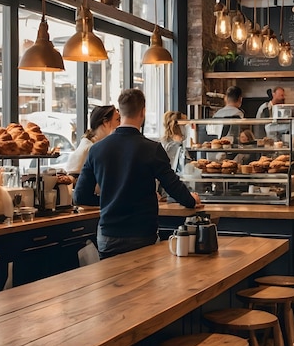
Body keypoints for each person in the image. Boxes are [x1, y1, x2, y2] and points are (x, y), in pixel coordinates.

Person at [73, 88, 201, 259]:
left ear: (120, 112)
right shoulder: (152, 148)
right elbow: (173, 185)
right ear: (143, 112)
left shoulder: (97, 150)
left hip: (108, 235)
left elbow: (80, 197)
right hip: (141, 234)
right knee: (144, 284)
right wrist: (191, 200)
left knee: (110, 283)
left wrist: (107, 201)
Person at [65, 105, 120, 177]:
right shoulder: (92, 149)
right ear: (105, 123)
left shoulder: (88, 143)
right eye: (118, 120)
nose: (120, 123)